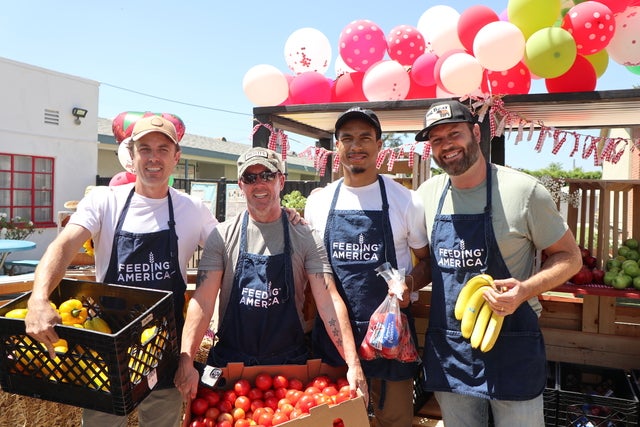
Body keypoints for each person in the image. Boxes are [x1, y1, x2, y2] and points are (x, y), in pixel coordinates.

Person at [25, 115, 219, 427]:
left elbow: (228, 249)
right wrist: (38, 299)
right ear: (132, 155)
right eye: (144, 149)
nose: (153, 158)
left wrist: (277, 215)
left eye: (162, 149)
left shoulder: (192, 209)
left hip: (165, 352)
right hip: (108, 348)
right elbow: (62, 247)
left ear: (176, 157)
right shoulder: (104, 201)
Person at [413, 100, 582, 426]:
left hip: (512, 344)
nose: (446, 145)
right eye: (436, 139)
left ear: (476, 133)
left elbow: (570, 257)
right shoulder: (426, 195)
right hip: (452, 348)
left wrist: (525, 290)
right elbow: (425, 262)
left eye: (454, 133)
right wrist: (402, 286)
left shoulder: (524, 191)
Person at [174, 147, 368, 403]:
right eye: (250, 178)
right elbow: (204, 301)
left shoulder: (305, 237)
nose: (259, 184)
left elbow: (328, 301)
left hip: (288, 371)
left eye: (267, 175)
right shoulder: (221, 237)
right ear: (241, 185)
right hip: (231, 366)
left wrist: (353, 363)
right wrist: (186, 358)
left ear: (281, 181)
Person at [304, 107, 430, 427]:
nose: (355, 145)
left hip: (391, 342)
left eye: (364, 137)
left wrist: (410, 285)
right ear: (336, 146)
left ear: (379, 145)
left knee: (394, 421)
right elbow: (313, 273)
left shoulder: (406, 201)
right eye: (347, 138)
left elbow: (426, 261)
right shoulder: (319, 202)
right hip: (333, 342)